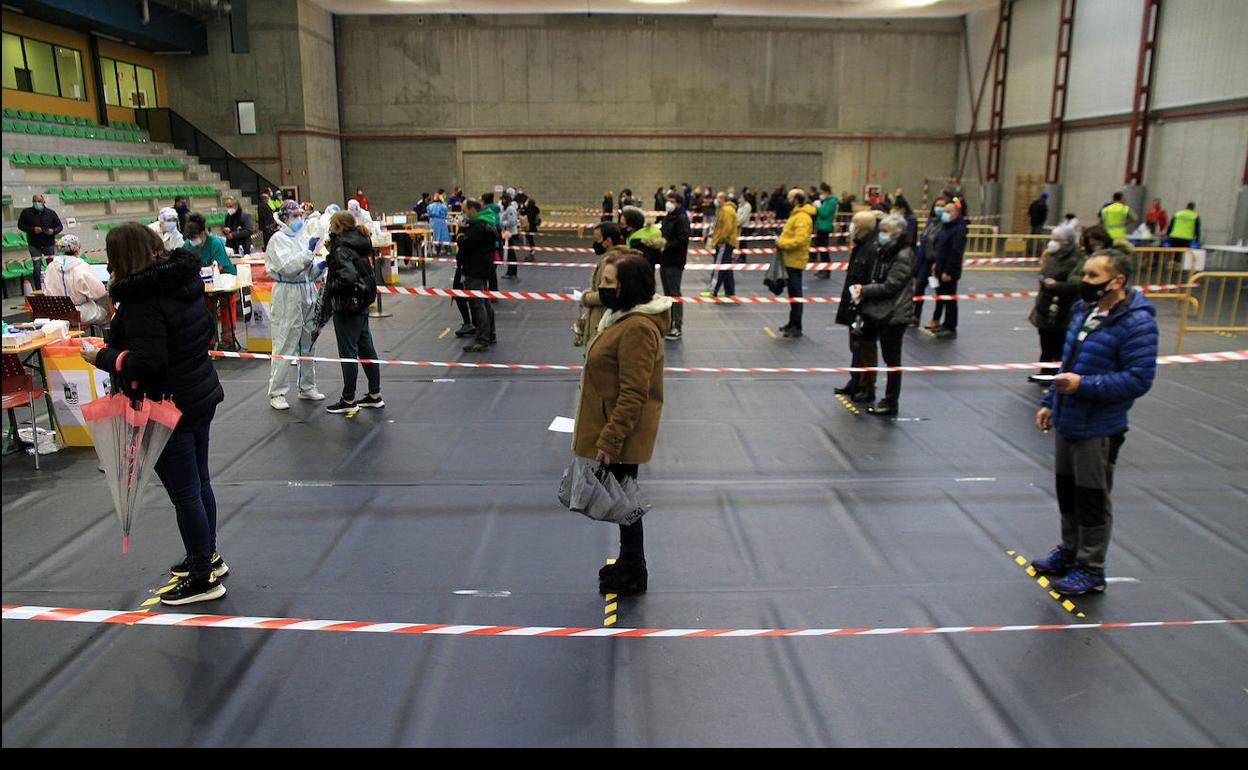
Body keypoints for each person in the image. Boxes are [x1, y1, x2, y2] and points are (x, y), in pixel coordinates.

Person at [81, 223, 227, 605]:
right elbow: (203, 334)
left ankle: (202, 577)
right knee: (199, 484)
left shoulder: (143, 299)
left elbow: (149, 361)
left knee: (186, 493)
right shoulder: (183, 283)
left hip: (167, 404)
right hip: (197, 394)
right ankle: (206, 556)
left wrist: (103, 357)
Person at [1032, 248, 1158, 596]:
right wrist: (1050, 401)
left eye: (1092, 277)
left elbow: (1138, 379)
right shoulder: (1084, 311)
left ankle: (1091, 567)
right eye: (1084, 274)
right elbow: (1067, 363)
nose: (1083, 282)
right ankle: (1070, 551)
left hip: (1099, 427)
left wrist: (1083, 386)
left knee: (1092, 499)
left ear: (1117, 281)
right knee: (1068, 493)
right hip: (1068, 418)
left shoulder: (1137, 323)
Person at [575, 251, 672, 596]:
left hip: (620, 428)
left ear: (627, 287)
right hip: (612, 423)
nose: (601, 288)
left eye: (608, 283)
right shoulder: (620, 317)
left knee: (624, 503)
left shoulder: (637, 329)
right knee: (622, 500)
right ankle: (631, 562)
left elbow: (634, 393)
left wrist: (611, 438)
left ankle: (634, 569)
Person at [850, 213, 914, 416]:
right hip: (879, 311)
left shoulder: (903, 255)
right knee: (869, 347)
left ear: (897, 234)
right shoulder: (884, 251)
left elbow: (891, 286)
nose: (881, 235)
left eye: (885, 232)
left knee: (892, 360)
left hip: (894, 314)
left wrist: (865, 290)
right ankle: (869, 388)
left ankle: (890, 401)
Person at [265, 200, 326, 409]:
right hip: (287, 293)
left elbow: (307, 271)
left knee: (308, 342)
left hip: (307, 290)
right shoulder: (277, 240)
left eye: (300, 215)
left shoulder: (302, 239)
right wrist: (309, 254)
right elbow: (288, 268)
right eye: (294, 216)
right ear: (284, 219)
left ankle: (307, 386)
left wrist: (321, 266)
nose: (299, 219)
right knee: (285, 341)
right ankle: (277, 393)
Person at [322, 211, 384, 414]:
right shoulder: (360, 241)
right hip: (362, 303)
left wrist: (330, 288)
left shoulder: (341, 247)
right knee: (366, 348)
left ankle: (348, 399)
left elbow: (346, 277)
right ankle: (374, 394)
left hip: (347, 305)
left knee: (348, 352)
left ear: (337, 226)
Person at [834, 211, 882, 402]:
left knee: (866, 347)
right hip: (854, 304)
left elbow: (870, 280)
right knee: (856, 346)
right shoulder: (861, 246)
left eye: (854, 223)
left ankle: (867, 386)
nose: (851, 227)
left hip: (865, 307)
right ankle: (856, 381)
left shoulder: (872, 249)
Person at [1028, 224, 1083, 383]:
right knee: (1045, 343)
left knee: (1058, 345)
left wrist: (1056, 286)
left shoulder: (1076, 260)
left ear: (1066, 242)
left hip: (1062, 308)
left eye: (1056, 239)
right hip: (1045, 305)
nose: (1052, 242)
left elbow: (1075, 286)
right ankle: (1044, 372)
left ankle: (1056, 374)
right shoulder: (1050, 256)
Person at [577, 221, 633, 349]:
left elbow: (608, 294)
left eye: (597, 239)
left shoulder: (609, 262)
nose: (595, 243)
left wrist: (585, 297)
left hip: (603, 322)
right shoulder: (623, 257)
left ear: (608, 241)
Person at [456, 199, 497, 352]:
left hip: (475, 269)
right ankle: (490, 334)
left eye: (464, 210)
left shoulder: (479, 227)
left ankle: (482, 339)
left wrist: (460, 235)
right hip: (483, 268)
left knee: (477, 304)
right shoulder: (487, 223)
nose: (463, 214)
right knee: (484, 302)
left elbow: (466, 243)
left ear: (472, 210)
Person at [775, 188, 817, 338]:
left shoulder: (803, 218)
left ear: (796, 200)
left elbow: (800, 240)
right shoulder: (796, 215)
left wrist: (782, 243)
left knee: (796, 293)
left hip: (795, 260)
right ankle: (791, 323)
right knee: (792, 294)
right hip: (790, 259)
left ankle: (797, 326)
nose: (787, 200)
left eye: (789, 197)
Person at [43, 234, 109, 325]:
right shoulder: (81, 266)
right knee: (105, 314)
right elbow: (98, 292)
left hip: (56, 312)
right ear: (78, 249)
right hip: (80, 312)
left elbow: (46, 291)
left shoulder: (50, 266)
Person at [930, 201, 967, 339]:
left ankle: (951, 326)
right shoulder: (945, 227)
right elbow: (940, 248)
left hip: (949, 271)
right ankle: (945, 323)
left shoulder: (958, 229)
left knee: (950, 299)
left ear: (956, 213)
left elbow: (956, 252)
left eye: (948, 211)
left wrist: (948, 271)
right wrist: (936, 264)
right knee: (943, 297)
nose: (944, 214)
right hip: (940, 267)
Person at [658, 191, 690, 341]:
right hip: (664, 261)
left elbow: (683, 240)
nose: (668, 203)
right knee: (667, 293)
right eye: (667, 200)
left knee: (675, 293)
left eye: (671, 201)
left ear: (678, 203)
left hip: (675, 262)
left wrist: (666, 245)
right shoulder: (667, 217)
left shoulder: (682, 219)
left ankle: (678, 325)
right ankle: (669, 323)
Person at [911, 196, 946, 327]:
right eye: (937, 205)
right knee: (919, 287)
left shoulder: (946, 225)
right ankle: (915, 315)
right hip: (925, 260)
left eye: (943, 206)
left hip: (936, 262)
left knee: (939, 291)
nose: (939, 208)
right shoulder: (930, 222)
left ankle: (936, 319)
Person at [16, 194, 62, 290]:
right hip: (34, 244)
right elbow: (20, 225)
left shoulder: (51, 213)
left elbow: (59, 226)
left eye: (39, 201)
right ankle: (38, 289)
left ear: (43, 201)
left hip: (48, 243)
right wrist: (32, 229)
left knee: (51, 267)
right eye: (35, 201)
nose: (37, 203)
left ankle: (54, 287)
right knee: (37, 267)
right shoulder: (26, 212)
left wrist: (53, 231)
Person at [705, 192, 740, 298]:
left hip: (724, 243)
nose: (716, 200)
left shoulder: (726, 210)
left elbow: (727, 229)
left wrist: (720, 239)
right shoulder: (725, 209)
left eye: (718, 198)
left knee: (719, 267)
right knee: (727, 267)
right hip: (727, 242)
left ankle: (713, 290)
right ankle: (730, 291)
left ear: (723, 199)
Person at [813, 183, 839, 279]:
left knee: (824, 251)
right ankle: (823, 269)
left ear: (827, 192)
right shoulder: (827, 201)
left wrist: (818, 207)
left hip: (825, 227)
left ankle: (827, 270)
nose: (821, 194)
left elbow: (824, 214)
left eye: (822, 192)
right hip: (820, 226)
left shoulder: (831, 202)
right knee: (821, 250)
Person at [500, 192, 520, 279]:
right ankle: (510, 271)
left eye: (503, 200)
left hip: (510, 233)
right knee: (509, 254)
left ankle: (512, 272)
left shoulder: (510, 209)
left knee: (511, 254)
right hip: (507, 233)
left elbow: (512, 221)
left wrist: (502, 223)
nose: (501, 201)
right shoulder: (507, 208)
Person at [520, 192, 540, 261]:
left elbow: (521, 212)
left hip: (528, 227)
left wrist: (524, 206)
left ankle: (532, 254)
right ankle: (532, 253)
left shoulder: (527, 209)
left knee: (530, 241)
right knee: (531, 241)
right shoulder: (536, 209)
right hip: (533, 227)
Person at [1028, 191, 1049, 257]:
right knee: (1039, 237)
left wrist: (1032, 217)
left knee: (1032, 236)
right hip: (1039, 223)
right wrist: (1042, 221)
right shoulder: (1044, 205)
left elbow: (1030, 210)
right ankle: (1038, 251)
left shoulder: (1034, 202)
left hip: (1033, 221)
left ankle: (1030, 249)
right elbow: (1044, 215)